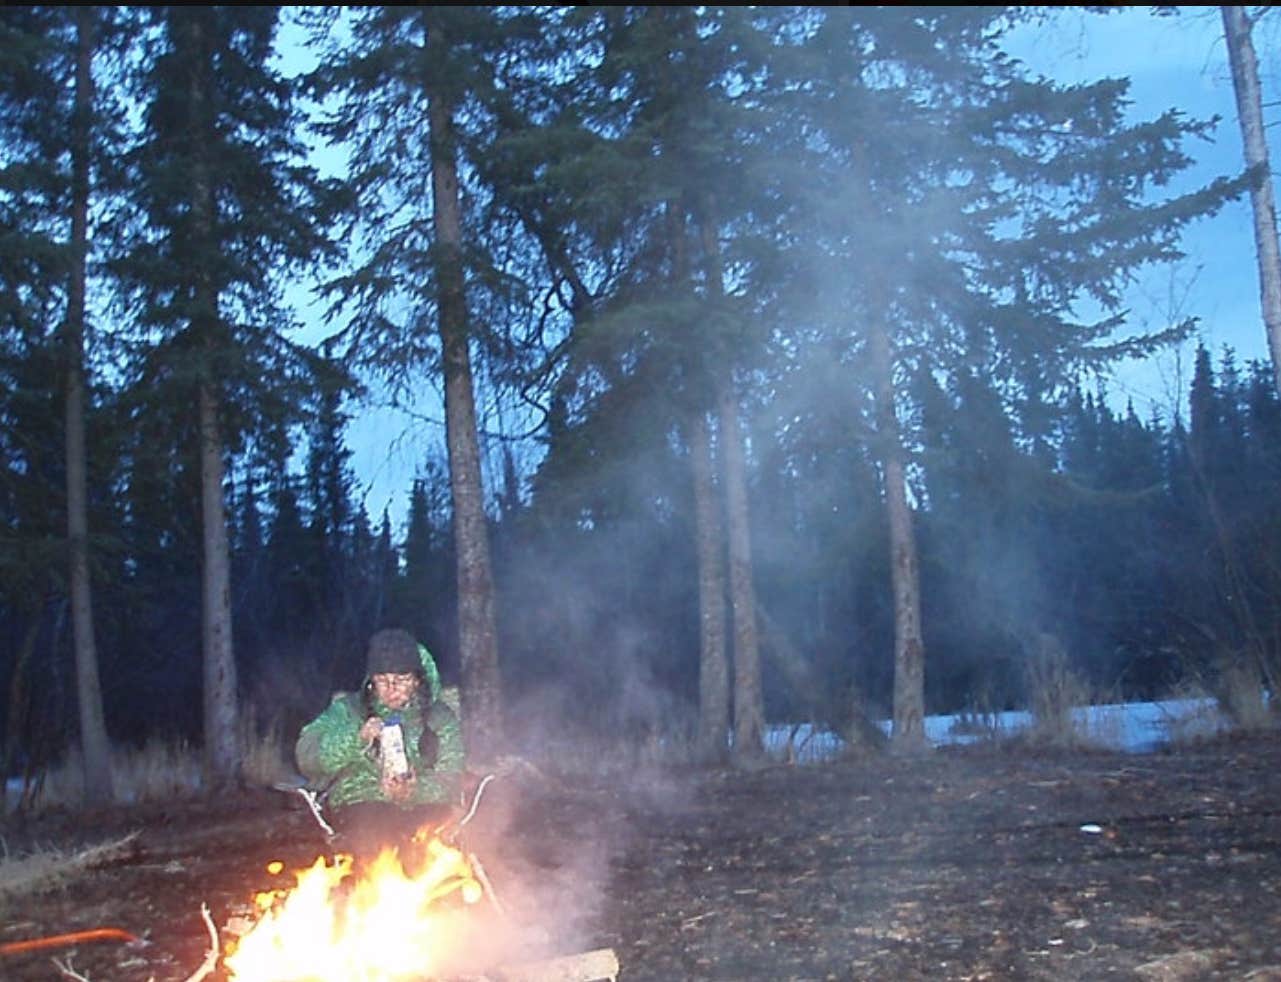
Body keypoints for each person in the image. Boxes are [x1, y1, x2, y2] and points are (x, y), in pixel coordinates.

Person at [295, 628, 466, 853]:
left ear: (417, 680)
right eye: (382, 680)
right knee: (373, 838)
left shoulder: (439, 719)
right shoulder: (348, 711)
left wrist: (413, 791)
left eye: (401, 680)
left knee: (423, 845)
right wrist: (356, 738)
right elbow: (307, 758)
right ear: (371, 680)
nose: (391, 689)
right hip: (360, 804)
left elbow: (452, 780)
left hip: (424, 806)